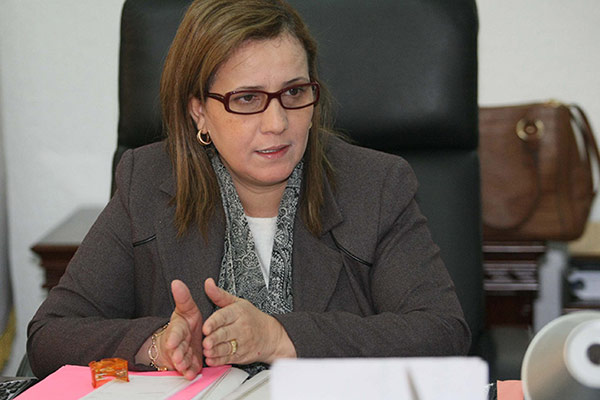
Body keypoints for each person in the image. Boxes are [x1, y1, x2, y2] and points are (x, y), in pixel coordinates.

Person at [27, 0, 470, 380]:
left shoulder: (376, 185)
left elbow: (443, 333)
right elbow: (51, 335)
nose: (277, 122)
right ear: (199, 111)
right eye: (246, 99)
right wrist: (158, 345)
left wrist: (280, 337)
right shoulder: (146, 182)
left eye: (294, 92)